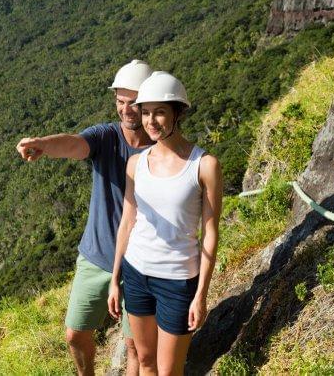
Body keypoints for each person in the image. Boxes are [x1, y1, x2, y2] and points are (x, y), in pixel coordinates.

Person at [16, 60, 154, 376]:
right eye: (120, 102)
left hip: (141, 263)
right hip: (95, 258)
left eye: (133, 102)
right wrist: (42, 145)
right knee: (75, 333)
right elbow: (74, 144)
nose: (126, 109)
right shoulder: (106, 137)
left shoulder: (162, 147)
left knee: (135, 346)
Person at [107, 71, 222, 375]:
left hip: (177, 280)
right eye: (146, 112)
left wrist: (200, 295)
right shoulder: (136, 164)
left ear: (178, 113)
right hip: (135, 273)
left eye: (159, 112)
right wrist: (114, 279)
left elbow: (210, 234)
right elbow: (128, 222)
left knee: (168, 371)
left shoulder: (204, 166)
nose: (151, 121)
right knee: (145, 362)